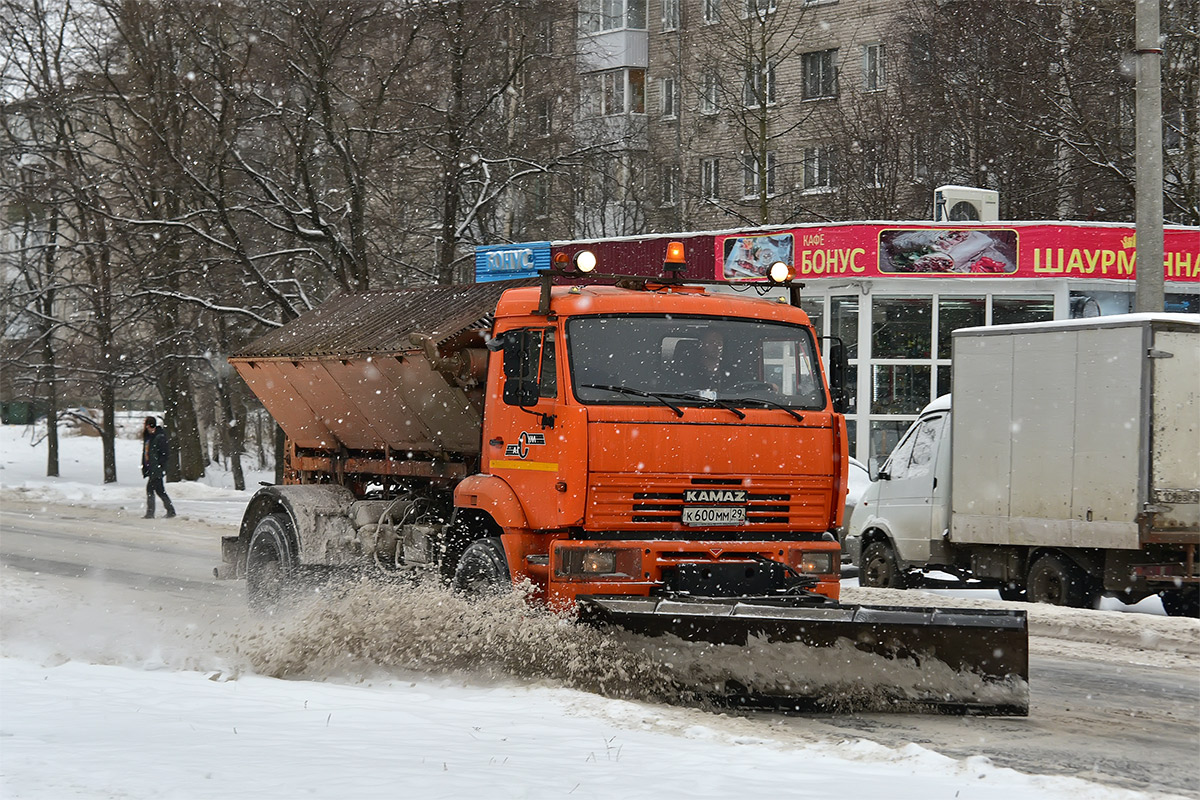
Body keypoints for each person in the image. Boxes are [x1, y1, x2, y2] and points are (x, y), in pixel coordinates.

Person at [142, 416, 175, 519]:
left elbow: (164, 454)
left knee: (151, 489)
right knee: (159, 490)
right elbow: (147, 453)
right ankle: (169, 510)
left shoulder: (158, 437)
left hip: (156, 468)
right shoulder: (150, 437)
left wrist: (160, 466)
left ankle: (151, 512)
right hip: (152, 467)